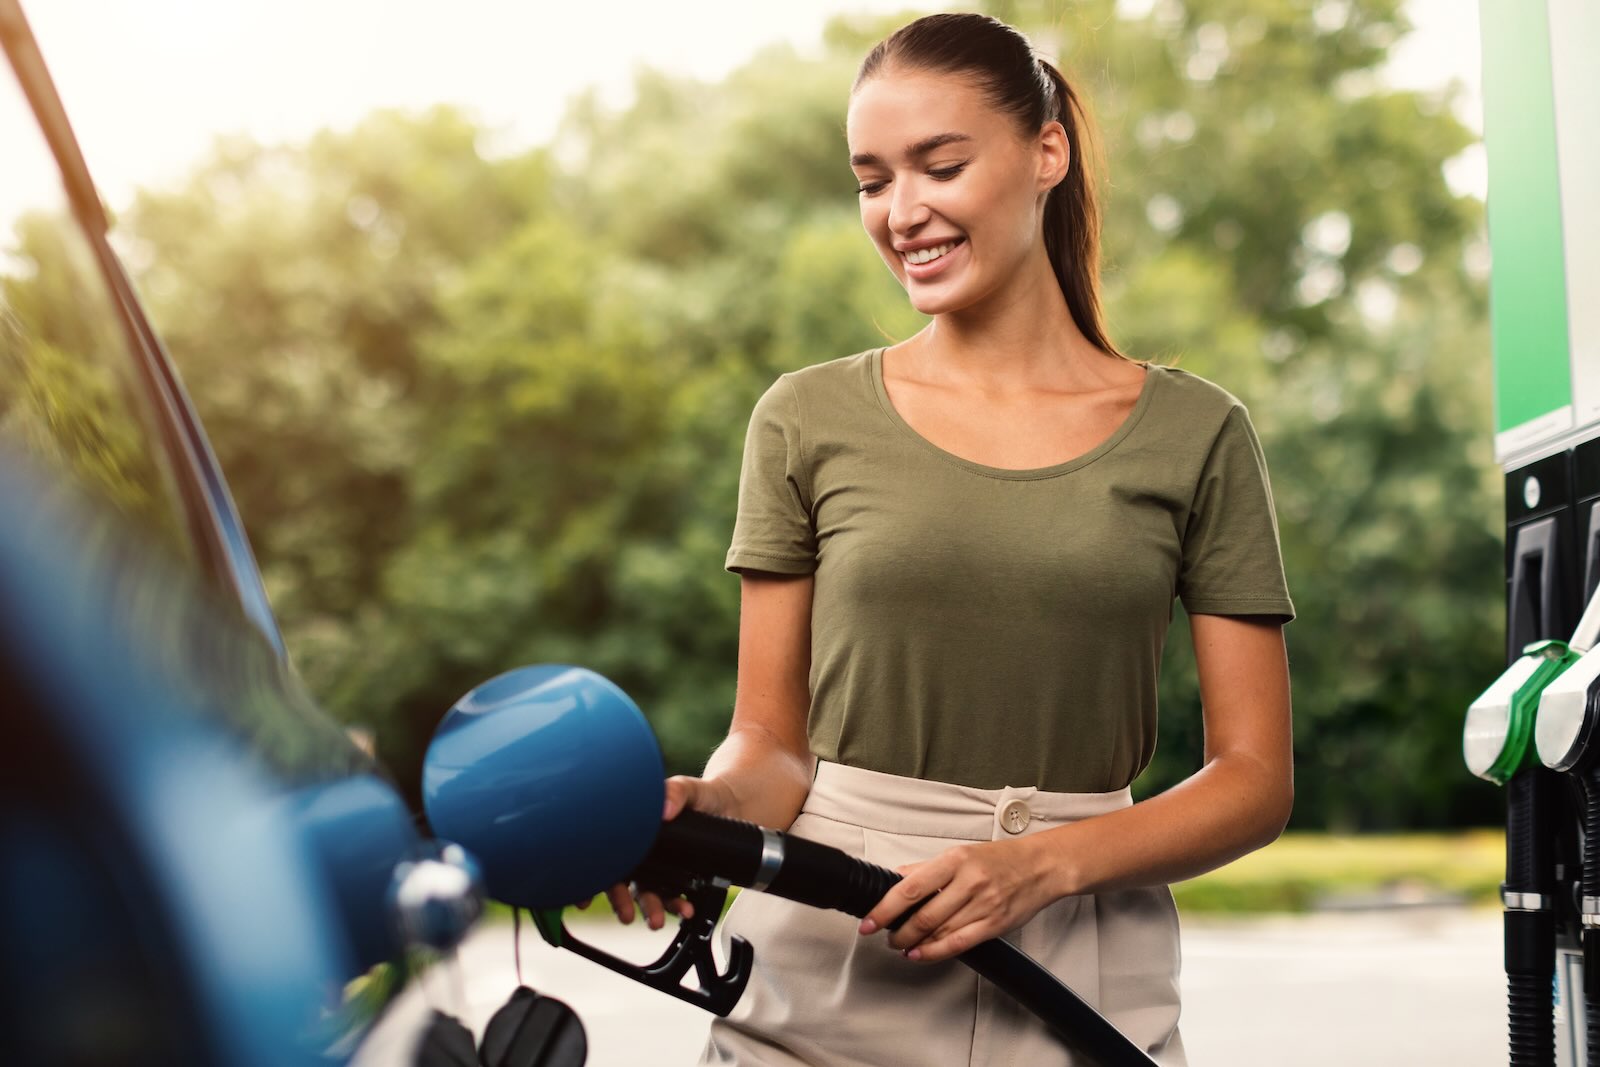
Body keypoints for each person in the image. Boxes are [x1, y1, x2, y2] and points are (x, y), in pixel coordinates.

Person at [601, 12, 1294, 1065]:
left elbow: (1253, 776)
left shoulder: (1198, 435)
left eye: (939, 164)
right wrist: (710, 807)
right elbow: (773, 741)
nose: (901, 211)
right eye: (872, 180)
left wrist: (1043, 863)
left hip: (1080, 969)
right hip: (832, 956)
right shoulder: (804, 419)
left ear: (1045, 151)